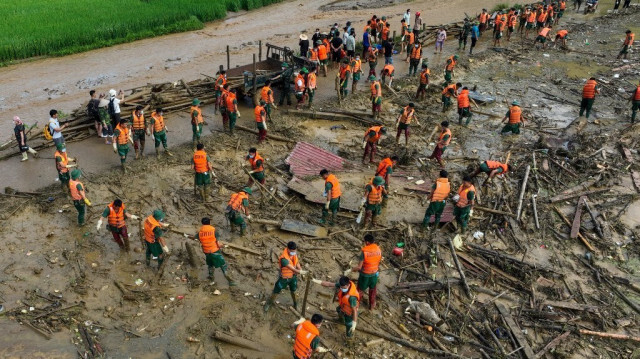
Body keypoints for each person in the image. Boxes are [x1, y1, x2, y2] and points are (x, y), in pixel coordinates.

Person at [264, 241, 308, 312]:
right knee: (276, 290)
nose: (293, 252)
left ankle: (296, 304)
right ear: (287, 249)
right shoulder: (283, 259)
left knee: (294, 290)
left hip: (293, 277)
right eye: (292, 251)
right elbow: (293, 269)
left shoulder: (294, 254)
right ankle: (269, 303)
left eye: (294, 251)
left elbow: (297, 263)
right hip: (284, 278)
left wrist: (301, 269)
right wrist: (303, 272)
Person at [345, 234, 382, 310]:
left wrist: (351, 270)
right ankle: (372, 306)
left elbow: (359, 267)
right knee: (373, 290)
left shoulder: (365, 251)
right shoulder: (378, 249)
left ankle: (356, 306)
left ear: (367, 242)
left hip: (365, 275)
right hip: (374, 274)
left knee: (359, 291)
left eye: (364, 241)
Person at [196, 217, 235, 285]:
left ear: (202, 224)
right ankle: (231, 281)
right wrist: (224, 246)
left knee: (210, 265)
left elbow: (194, 237)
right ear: (209, 223)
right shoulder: (213, 231)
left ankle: (211, 277)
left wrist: (187, 236)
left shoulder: (200, 233)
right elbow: (219, 244)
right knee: (223, 266)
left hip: (207, 253)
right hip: (215, 252)